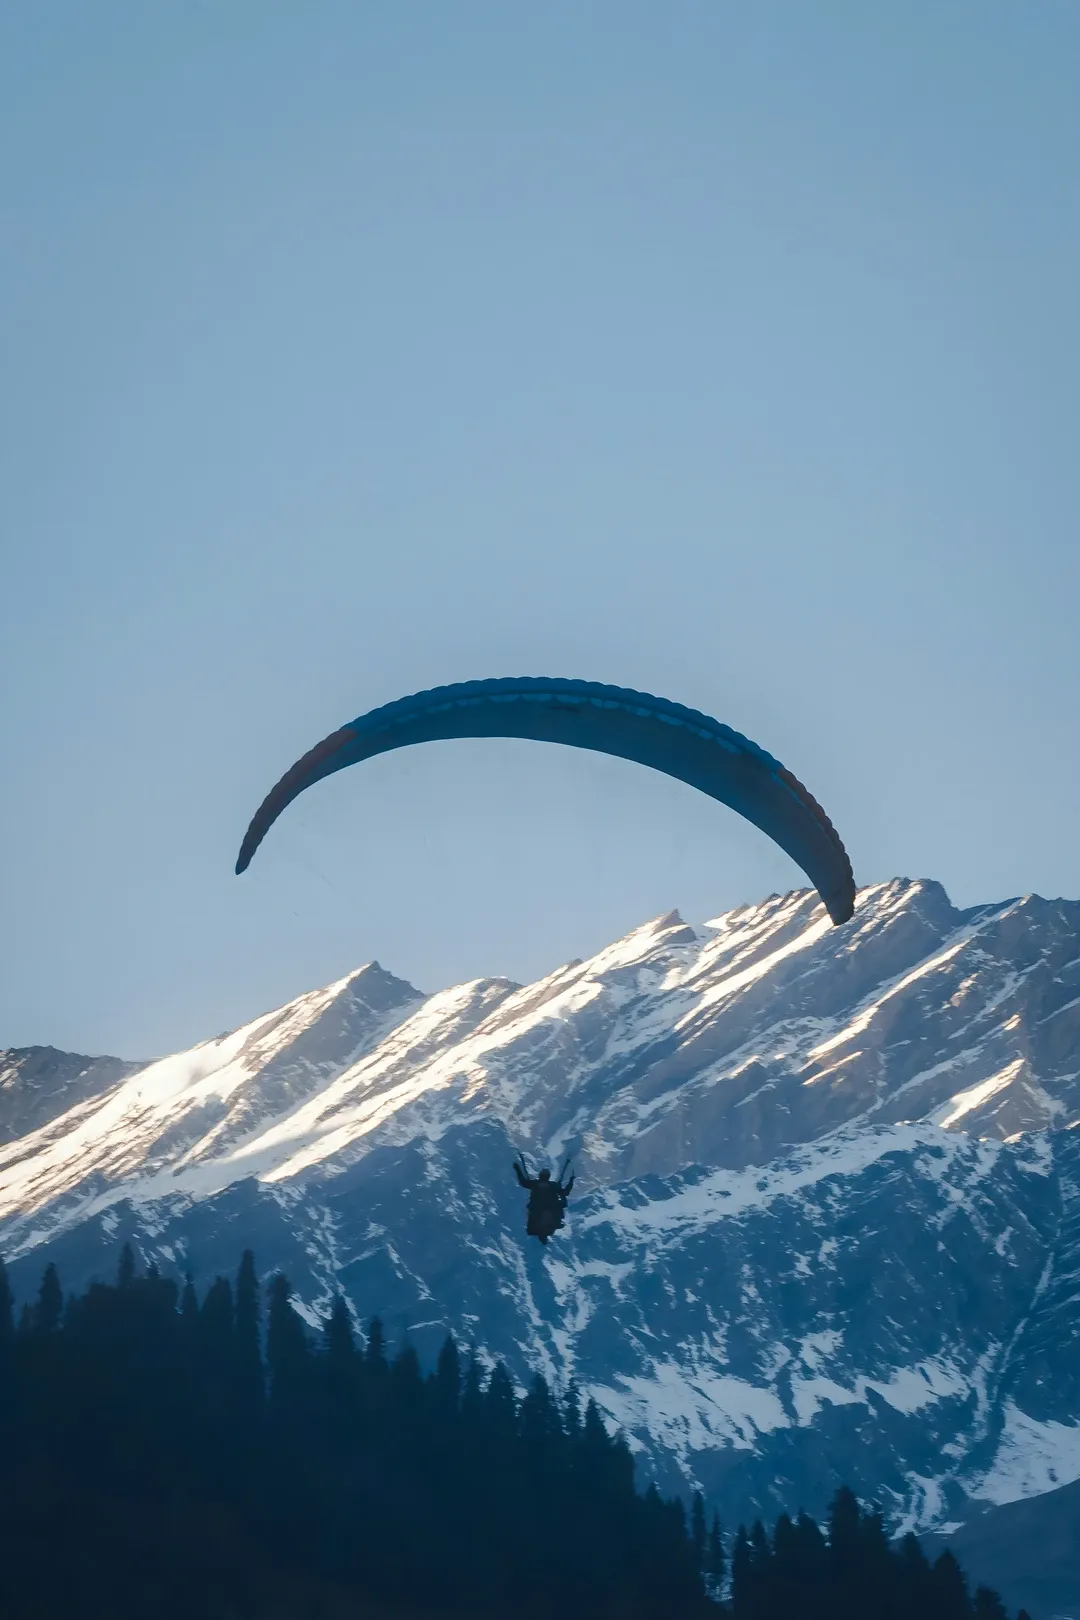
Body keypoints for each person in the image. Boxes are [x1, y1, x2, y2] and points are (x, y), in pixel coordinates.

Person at [513, 1155, 574, 1244]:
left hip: (540, 1211)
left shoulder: (536, 1184)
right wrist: (570, 1182)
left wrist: (518, 1169)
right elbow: (565, 1193)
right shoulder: (554, 1186)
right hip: (548, 1211)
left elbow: (523, 1182)